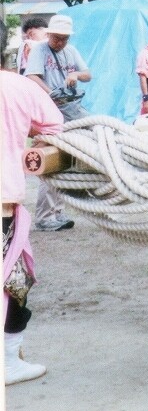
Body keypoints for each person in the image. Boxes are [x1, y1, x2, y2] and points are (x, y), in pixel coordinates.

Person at [1, 68, 64, 384]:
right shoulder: (18, 86)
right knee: (13, 281)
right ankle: (9, 361)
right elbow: (55, 127)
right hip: (3, 196)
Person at [23, 15, 90, 232]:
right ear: (49, 34)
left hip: (69, 108)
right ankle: (44, 216)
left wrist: (76, 75)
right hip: (49, 110)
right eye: (57, 38)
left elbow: (88, 74)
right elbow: (31, 76)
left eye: (64, 39)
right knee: (51, 162)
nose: (60, 42)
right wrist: (51, 92)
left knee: (65, 160)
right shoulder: (39, 50)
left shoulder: (71, 51)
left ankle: (57, 212)